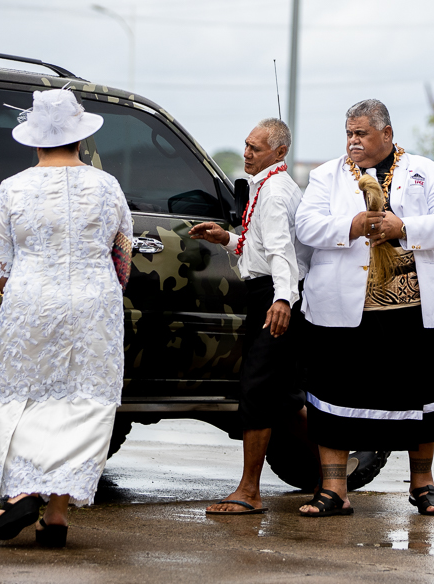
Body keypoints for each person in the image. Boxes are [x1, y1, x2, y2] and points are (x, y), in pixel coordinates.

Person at [295, 99, 434, 517]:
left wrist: (404, 227)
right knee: (334, 395)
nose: (353, 141)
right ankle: (334, 490)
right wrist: (350, 226)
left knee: (419, 398)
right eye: (349, 134)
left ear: (386, 134)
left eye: (362, 133)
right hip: (342, 308)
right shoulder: (325, 175)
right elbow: (306, 226)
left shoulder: (427, 172)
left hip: (411, 310)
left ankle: (422, 485)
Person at [0, 88, 133, 546]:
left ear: (35, 141)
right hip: (93, 304)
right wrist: (101, 289)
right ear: (80, 138)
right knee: (83, 401)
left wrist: (23, 289)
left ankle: (23, 491)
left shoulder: (13, 188)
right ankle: (57, 515)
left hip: (31, 300)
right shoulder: (107, 186)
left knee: (24, 396)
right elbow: (123, 255)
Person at [188, 118, 316, 515]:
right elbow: (259, 247)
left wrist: (282, 300)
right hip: (272, 292)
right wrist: (226, 238)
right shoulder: (268, 185)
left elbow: (281, 253)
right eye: (246, 145)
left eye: (255, 148)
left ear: (279, 152)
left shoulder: (274, 192)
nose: (246, 153)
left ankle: (250, 491)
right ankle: (334, 474)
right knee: (285, 397)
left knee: (258, 390)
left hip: (275, 296)